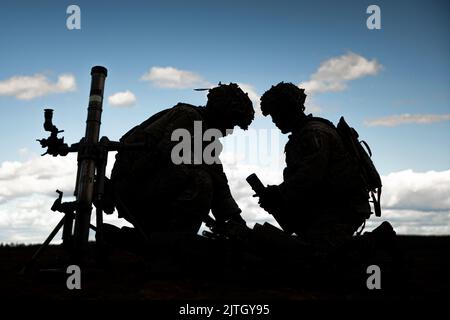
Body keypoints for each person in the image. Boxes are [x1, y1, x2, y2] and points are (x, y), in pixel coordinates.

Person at [107, 83, 254, 237]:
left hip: (146, 190)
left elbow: (220, 184)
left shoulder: (206, 136)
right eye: (231, 122)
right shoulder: (190, 118)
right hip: (134, 190)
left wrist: (238, 223)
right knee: (201, 179)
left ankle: (169, 237)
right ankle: (173, 242)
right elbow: (166, 155)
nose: (229, 131)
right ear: (220, 112)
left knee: (205, 177)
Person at [257, 82, 372, 247]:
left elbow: (310, 176)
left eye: (276, 113)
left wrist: (278, 193)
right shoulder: (304, 133)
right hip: (328, 207)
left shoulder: (313, 133)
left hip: (339, 210)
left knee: (320, 259)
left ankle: (375, 242)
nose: (274, 120)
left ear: (289, 109)